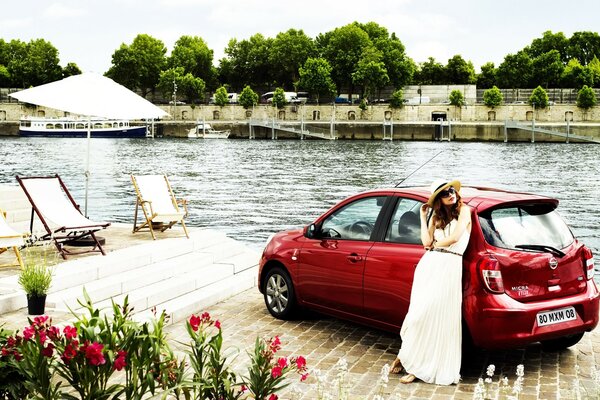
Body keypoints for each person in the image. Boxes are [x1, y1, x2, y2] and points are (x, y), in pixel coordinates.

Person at [390, 179, 471, 385]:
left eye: (451, 190)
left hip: (449, 266)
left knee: (438, 319)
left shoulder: (465, 211)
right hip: (429, 266)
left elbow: (455, 238)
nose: (451, 194)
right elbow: (425, 243)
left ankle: (419, 368)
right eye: (445, 194)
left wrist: (436, 244)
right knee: (417, 315)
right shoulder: (435, 216)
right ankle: (408, 356)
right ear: (438, 201)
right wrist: (422, 216)